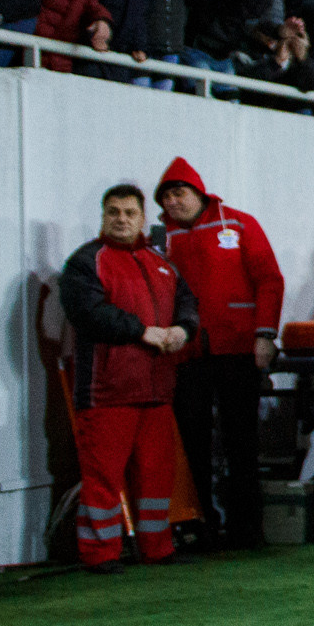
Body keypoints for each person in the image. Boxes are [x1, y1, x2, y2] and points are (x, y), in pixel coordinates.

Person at [58, 184, 199, 573]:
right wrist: (143, 332)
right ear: (103, 216)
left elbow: (188, 303)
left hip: (157, 390)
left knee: (156, 477)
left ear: (142, 218)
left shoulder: (162, 263)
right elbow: (87, 313)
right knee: (103, 477)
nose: (121, 219)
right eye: (114, 212)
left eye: (129, 213)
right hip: (106, 391)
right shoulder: (85, 262)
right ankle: (99, 554)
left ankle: (157, 548)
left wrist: (184, 330)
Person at [156, 157, 285, 549]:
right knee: (192, 442)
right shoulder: (163, 238)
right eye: (166, 196)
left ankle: (248, 530)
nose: (173, 202)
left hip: (237, 350)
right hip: (188, 354)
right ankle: (202, 526)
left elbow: (269, 280)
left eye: (179, 193)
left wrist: (265, 335)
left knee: (241, 442)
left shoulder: (239, 223)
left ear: (199, 192)